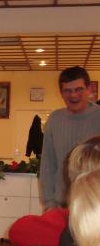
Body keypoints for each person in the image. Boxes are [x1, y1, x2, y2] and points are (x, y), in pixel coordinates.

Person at [40, 66, 100, 210]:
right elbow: (48, 164)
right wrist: (49, 203)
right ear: (61, 93)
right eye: (67, 90)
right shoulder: (55, 119)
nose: (73, 95)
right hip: (60, 204)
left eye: (79, 89)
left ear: (89, 89)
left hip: (94, 203)